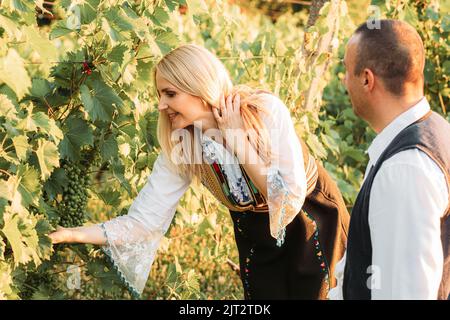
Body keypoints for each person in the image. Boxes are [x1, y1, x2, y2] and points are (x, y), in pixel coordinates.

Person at [49, 44, 350, 300]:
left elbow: (287, 198)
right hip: (257, 232)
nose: (161, 104)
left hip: (311, 220)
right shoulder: (184, 145)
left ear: (197, 87)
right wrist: (73, 234)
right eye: (159, 95)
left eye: (169, 93)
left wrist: (238, 141)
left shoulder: (264, 111)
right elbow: (146, 220)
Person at [328, 19, 449, 300]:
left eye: (346, 70)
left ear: (367, 79)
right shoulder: (436, 131)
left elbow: (404, 293)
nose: (344, 81)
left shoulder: (404, 169)